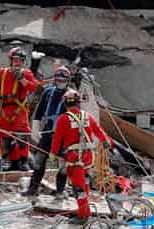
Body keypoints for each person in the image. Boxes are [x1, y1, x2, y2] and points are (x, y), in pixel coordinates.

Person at [50, 89, 112, 225]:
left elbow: (57, 140)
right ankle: (85, 212)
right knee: (84, 184)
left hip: (74, 158)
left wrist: (52, 156)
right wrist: (106, 142)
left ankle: (83, 216)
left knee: (78, 188)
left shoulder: (63, 119)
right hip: (88, 157)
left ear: (65, 103)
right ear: (78, 102)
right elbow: (99, 131)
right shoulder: (87, 116)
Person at [24, 66, 72, 198]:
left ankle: (60, 192)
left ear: (68, 80)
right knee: (39, 161)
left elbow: (75, 117)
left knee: (63, 165)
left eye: (63, 80)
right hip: (47, 134)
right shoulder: (48, 93)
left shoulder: (72, 95)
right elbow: (38, 113)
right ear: (55, 79)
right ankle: (32, 189)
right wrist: (35, 129)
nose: (61, 82)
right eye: (58, 79)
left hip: (64, 137)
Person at [0, 47, 35, 171]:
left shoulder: (27, 73)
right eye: (15, 59)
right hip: (4, 110)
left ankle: (24, 161)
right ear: (11, 60)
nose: (17, 62)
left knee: (22, 137)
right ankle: (14, 162)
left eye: (20, 60)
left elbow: (32, 88)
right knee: (6, 139)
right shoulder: (2, 73)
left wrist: (22, 80)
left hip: (19, 110)